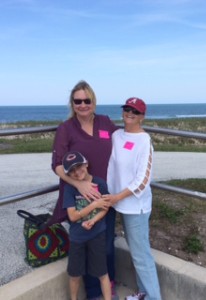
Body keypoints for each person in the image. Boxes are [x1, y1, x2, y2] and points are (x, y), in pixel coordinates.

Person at [50, 80, 118, 299]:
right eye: (77, 101)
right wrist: (79, 184)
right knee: (86, 247)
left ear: (93, 101)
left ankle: (109, 287)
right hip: (80, 200)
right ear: (72, 103)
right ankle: (93, 293)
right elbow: (57, 165)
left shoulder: (105, 122)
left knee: (106, 245)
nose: (82, 105)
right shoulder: (66, 129)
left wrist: (141, 134)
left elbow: (125, 140)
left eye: (86, 100)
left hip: (106, 194)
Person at [103, 98, 162, 300]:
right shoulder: (116, 135)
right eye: (127, 109)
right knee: (136, 252)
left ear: (142, 117)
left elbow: (143, 180)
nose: (130, 113)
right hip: (116, 202)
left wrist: (117, 196)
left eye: (135, 111)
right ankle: (143, 293)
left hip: (135, 206)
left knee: (141, 256)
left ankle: (153, 297)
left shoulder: (144, 140)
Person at [62, 151, 111, 300]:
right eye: (72, 170)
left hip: (97, 235)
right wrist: (93, 205)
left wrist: (94, 220)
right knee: (75, 275)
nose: (77, 172)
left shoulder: (100, 183)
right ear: (68, 174)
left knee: (102, 273)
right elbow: (72, 216)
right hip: (77, 238)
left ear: (86, 164)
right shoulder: (69, 189)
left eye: (79, 166)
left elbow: (105, 208)